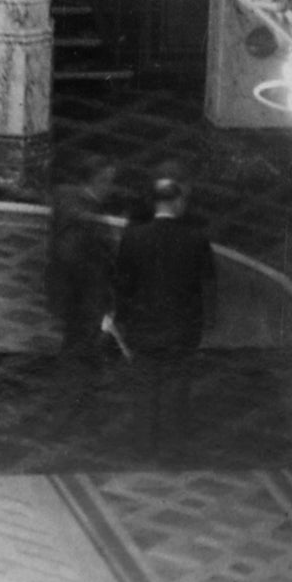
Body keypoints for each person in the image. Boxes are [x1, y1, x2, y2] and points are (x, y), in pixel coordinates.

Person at [115, 165, 218, 457]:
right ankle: (173, 449)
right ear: (176, 202)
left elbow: (123, 283)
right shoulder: (196, 239)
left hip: (143, 326)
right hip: (182, 328)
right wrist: (208, 321)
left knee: (145, 387)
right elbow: (207, 283)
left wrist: (121, 319)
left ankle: (143, 446)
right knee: (176, 389)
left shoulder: (134, 237)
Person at [42, 175, 120, 407]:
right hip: (84, 295)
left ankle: (72, 394)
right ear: (100, 180)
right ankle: (72, 398)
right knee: (79, 345)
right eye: (109, 180)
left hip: (72, 293)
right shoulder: (86, 218)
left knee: (76, 343)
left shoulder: (66, 197)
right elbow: (86, 261)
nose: (112, 187)